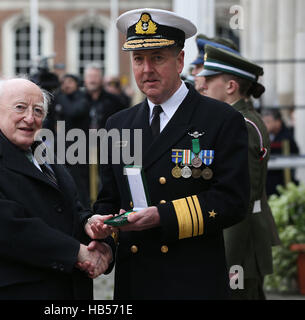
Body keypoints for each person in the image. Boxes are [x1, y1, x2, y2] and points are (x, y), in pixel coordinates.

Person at [92, 8, 250, 299]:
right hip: (135, 280)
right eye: (138, 59)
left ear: (179, 61)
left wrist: (162, 216)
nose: (146, 69)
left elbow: (233, 200)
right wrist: (102, 235)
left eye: (157, 58)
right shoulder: (118, 123)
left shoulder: (220, 119)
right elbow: (109, 199)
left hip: (192, 279)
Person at [0, 77, 115, 300]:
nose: (30, 118)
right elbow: (8, 229)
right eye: (20, 108)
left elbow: (71, 208)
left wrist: (90, 225)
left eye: (38, 111)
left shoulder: (44, 157)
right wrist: (77, 252)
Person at [198, 44, 281, 299]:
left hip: (240, 239)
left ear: (231, 87)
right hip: (241, 236)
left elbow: (241, 198)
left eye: (210, 81)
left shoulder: (240, 126)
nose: (202, 86)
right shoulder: (239, 121)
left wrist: (229, 256)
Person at [54, 74, 91, 208]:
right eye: (63, 82)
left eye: (70, 81)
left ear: (77, 83)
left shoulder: (82, 98)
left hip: (78, 147)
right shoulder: (59, 99)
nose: (66, 85)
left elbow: (74, 112)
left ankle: (85, 209)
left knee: (80, 182)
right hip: (61, 147)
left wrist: (60, 98)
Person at [262, 109, 300, 196]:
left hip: (280, 182)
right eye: (263, 122)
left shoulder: (286, 137)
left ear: (278, 122)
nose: (265, 125)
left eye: (268, 122)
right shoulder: (269, 135)